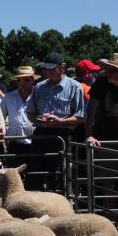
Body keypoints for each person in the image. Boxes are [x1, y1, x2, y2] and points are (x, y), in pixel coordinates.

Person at [25, 52, 87, 191]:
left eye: (51, 69)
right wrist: (39, 119)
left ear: (62, 67)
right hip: (40, 134)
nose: (48, 72)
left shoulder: (75, 87)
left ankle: (59, 207)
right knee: (35, 174)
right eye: (45, 69)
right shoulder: (39, 87)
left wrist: (59, 122)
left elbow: (81, 117)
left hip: (62, 136)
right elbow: (30, 113)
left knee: (59, 177)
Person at [2, 66, 38, 183]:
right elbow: (0, 118)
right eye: (19, 80)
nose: (22, 83)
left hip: (35, 144)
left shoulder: (39, 95)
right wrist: (3, 137)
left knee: (34, 179)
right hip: (15, 144)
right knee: (13, 180)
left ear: (33, 80)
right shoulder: (9, 97)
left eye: (26, 80)